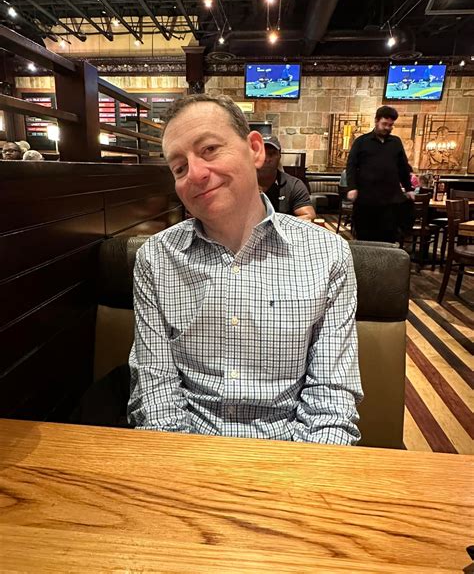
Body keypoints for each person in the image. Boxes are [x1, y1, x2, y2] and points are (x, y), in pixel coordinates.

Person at [128, 94, 362, 445]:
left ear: (255, 149)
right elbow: (156, 392)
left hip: (291, 453)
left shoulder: (327, 254)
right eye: (179, 168)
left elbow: (330, 400)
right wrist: (182, 466)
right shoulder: (156, 258)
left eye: (209, 149)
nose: (195, 174)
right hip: (188, 451)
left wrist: (302, 472)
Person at [346, 105, 415, 243]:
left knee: (388, 237)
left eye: (391, 125)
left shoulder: (396, 142)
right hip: (366, 199)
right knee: (365, 238)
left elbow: (403, 167)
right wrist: (352, 187)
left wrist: (408, 188)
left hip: (390, 200)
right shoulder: (361, 141)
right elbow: (351, 166)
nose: (387, 128)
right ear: (376, 120)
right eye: (384, 124)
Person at [257, 135, 316, 221]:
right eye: (263, 154)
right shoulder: (243, 183)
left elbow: (309, 216)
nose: (267, 159)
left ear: (279, 156)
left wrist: (274, 224)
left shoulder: (294, 185)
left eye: (272, 154)